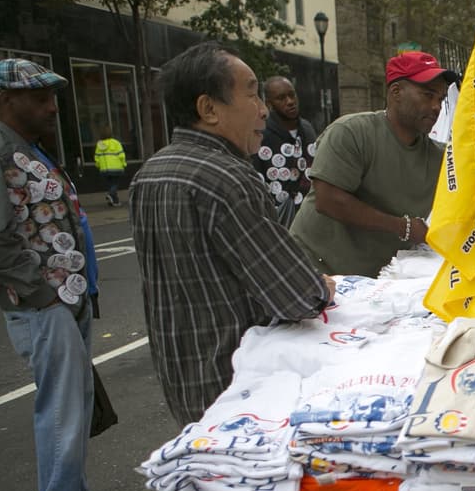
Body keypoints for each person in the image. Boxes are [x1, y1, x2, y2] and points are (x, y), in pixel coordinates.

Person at [131, 42, 334, 424]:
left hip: (181, 374)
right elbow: (300, 295)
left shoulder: (150, 172)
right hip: (236, 384)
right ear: (208, 109)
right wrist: (322, 285)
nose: (262, 110)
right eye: (253, 94)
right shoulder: (227, 178)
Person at [0, 58, 124, 491]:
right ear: (6, 101)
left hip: (67, 299)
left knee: (76, 403)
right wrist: (42, 293)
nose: (51, 106)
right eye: (39, 97)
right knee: (61, 409)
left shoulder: (30, 150)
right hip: (44, 305)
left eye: (53, 96)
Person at [289, 51, 457, 276]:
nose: (436, 106)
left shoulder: (439, 157)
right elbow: (328, 200)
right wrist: (404, 227)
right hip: (314, 270)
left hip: (373, 283)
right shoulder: (352, 133)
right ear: (396, 92)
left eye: (441, 99)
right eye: (427, 95)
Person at [253, 76, 317, 227]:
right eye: (281, 98)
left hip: (309, 218)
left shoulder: (307, 130)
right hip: (277, 221)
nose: (289, 101)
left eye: (292, 95)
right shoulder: (261, 135)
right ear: (269, 104)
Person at [93, 125, 126, 207]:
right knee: (115, 184)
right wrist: (124, 164)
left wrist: (99, 165)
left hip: (104, 169)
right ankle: (110, 195)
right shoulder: (116, 143)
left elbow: (96, 157)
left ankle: (115, 201)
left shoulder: (99, 145)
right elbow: (121, 155)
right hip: (116, 168)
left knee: (110, 185)